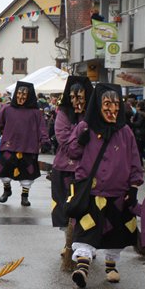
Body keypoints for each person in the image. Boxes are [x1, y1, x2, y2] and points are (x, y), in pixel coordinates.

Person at [66, 83, 143, 289]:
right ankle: (82, 267)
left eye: (116, 104)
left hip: (118, 193)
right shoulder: (85, 126)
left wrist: (134, 187)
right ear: (98, 105)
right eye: (107, 104)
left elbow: (135, 160)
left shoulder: (125, 131)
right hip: (91, 192)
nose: (112, 109)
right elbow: (71, 152)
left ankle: (111, 266)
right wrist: (80, 141)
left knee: (115, 234)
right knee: (86, 231)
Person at [0, 82, 48, 207]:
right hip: (9, 145)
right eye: (19, 94)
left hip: (29, 147)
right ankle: (7, 190)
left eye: (24, 95)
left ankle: (25, 196)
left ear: (29, 96)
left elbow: (42, 128)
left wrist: (45, 141)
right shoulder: (7, 109)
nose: (21, 97)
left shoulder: (36, 112)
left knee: (27, 173)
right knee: (4, 170)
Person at [51, 76, 93, 230]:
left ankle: (84, 243)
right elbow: (67, 144)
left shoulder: (94, 114)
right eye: (72, 97)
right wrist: (82, 130)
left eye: (80, 97)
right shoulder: (63, 114)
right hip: (65, 168)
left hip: (88, 169)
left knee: (88, 210)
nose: (76, 101)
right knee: (65, 208)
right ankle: (68, 242)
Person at [130, 99, 145, 169]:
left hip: (138, 134)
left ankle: (142, 165)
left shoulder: (140, 114)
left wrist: (131, 123)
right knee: (141, 150)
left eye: (137, 107)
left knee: (139, 150)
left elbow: (138, 124)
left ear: (139, 107)